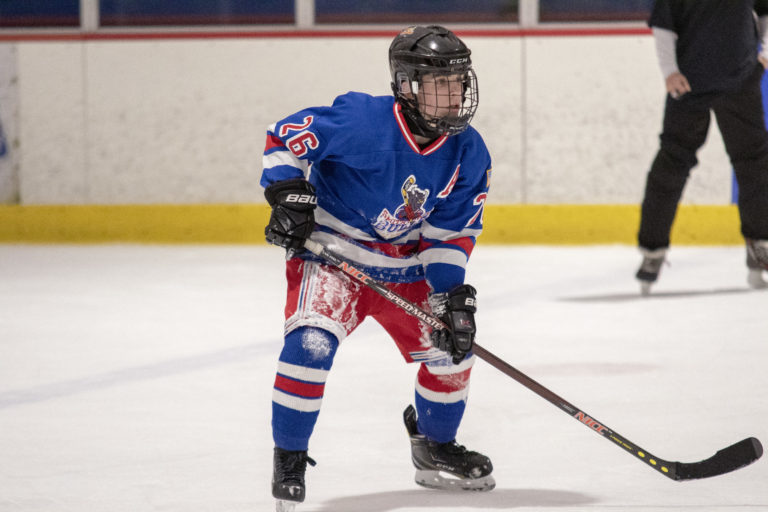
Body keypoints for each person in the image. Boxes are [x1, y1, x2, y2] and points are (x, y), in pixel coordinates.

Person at [260, 25, 494, 509]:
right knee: (310, 344)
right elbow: (284, 137)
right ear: (407, 85)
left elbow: (449, 234)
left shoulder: (469, 152)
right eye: (439, 84)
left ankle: (434, 447)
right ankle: (290, 456)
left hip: (407, 267)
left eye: (458, 83)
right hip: (333, 257)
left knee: (452, 351)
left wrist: (450, 294)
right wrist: (287, 193)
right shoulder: (361, 119)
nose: (453, 96)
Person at [636, 0, 768, 294]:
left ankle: (759, 245)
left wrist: (765, 52)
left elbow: (764, 10)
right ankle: (653, 251)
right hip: (689, 84)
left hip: (741, 79)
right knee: (672, 163)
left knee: (755, 163)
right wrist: (669, 70)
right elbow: (664, 26)